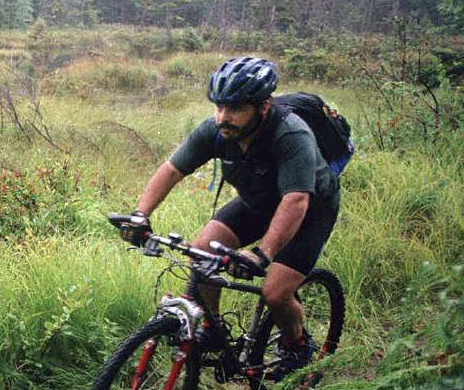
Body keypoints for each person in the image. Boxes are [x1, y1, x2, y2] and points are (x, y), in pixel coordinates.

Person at [119, 56, 341, 373]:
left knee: (275, 292)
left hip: (309, 211)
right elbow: (171, 170)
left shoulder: (291, 135)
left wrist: (261, 254)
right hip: (259, 201)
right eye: (219, 107)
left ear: (262, 107)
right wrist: (140, 215)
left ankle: (298, 346)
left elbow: (295, 200)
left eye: (235, 109)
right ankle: (212, 331)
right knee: (201, 253)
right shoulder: (216, 131)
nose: (223, 117)